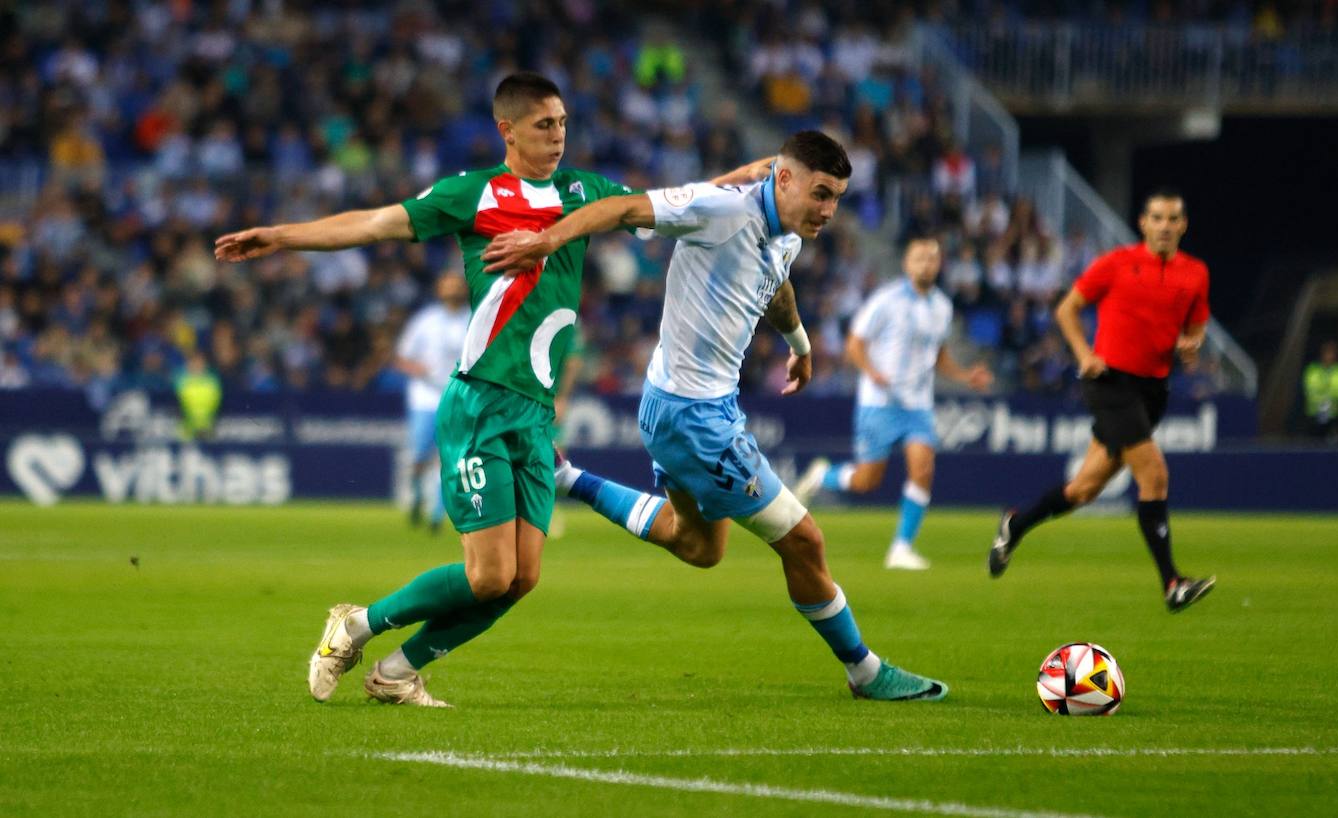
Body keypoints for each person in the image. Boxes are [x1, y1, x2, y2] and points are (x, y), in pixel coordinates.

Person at [216, 72, 770, 708]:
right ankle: (357, 624)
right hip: (481, 399)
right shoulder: (472, 194)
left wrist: (762, 173)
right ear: (507, 130)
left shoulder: (585, 191)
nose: (558, 135)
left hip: (534, 413)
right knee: (489, 575)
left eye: (563, 123)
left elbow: (689, 199)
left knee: (522, 578)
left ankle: (396, 671)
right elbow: (374, 224)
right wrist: (282, 236)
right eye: (543, 125)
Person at [484, 131, 949, 702]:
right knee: (804, 541)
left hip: (689, 405)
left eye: (837, 198)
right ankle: (865, 671)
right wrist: (545, 241)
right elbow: (624, 207)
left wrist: (800, 343)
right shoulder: (718, 209)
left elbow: (776, 286)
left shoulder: (789, 234)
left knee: (700, 547)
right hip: (693, 416)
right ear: (784, 179)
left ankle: (564, 477)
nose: (828, 210)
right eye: (821, 193)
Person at [986, 188, 1216, 613]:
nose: (1165, 226)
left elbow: (1196, 327)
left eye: (1173, 219)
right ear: (1143, 223)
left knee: (1084, 489)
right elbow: (1066, 310)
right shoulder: (1116, 264)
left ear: (1182, 225)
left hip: (1153, 389)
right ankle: (1172, 582)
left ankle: (1015, 524)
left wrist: (1191, 344)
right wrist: (1084, 354)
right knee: (1155, 474)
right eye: (1157, 218)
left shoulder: (1196, 274)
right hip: (1109, 382)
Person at [794, 237, 992, 571]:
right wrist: (874, 373)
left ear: (939, 265)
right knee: (867, 481)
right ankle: (823, 475)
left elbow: (938, 356)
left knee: (923, 468)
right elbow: (855, 343)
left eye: (932, 258)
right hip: (879, 403)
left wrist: (963, 376)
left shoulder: (942, 307)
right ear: (907, 264)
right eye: (920, 258)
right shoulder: (886, 301)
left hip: (917, 405)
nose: (926, 264)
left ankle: (901, 548)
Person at [394, 272, 471, 532]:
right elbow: (402, 357)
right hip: (425, 398)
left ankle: (437, 515)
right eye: (448, 285)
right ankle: (417, 496)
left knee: (449, 459)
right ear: (439, 289)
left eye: (456, 285)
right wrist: (418, 369)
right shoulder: (425, 321)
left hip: (458, 399)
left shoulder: (473, 320)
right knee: (419, 457)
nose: (452, 289)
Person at [1302, 340, 1338, 440]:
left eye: (1331, 353)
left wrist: (1328, 398)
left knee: (1332, 441)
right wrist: (1322, 399)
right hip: (1314, 412)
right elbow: (1310, 389)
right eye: (1327, 353)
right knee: (1314, 441)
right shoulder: (1313, 369)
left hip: (1334, 413)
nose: (1329, 356)